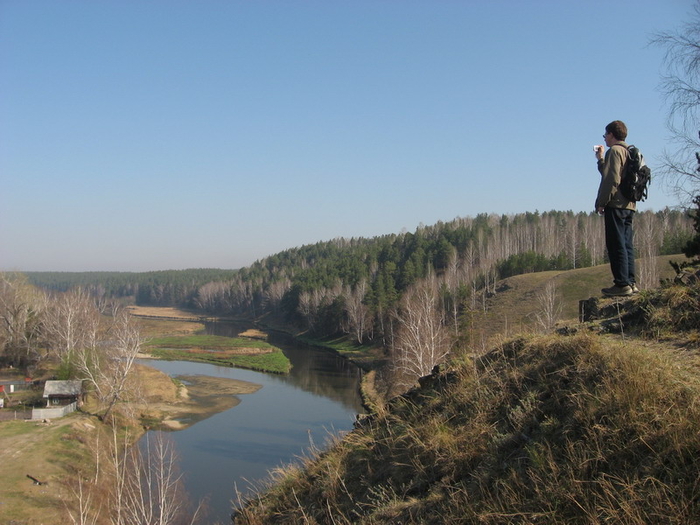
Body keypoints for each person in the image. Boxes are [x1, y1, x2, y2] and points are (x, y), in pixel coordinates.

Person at [594, 120, 638, 297]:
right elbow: (611, 172)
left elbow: (611, 180)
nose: (604, 138)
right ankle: (630, 282)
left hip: (616, 205)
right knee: (626, 244)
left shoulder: (615, 151)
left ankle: (621, 284)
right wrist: (600, 160)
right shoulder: (629, 151)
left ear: (612, 134)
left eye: (605, 135)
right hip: (629, 205)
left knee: (616, 244)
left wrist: (602, 202)